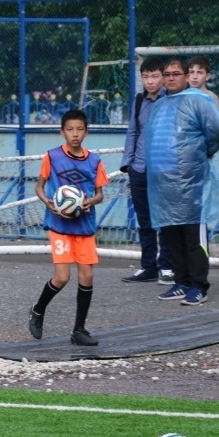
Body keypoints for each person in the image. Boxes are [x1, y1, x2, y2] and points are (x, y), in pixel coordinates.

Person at [145, 57, 219, 306]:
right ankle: (181, 282)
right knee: (171, 235)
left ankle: (198, 285)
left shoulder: (199, 101)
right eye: (167, 74)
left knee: (193, 236)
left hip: (191, 182)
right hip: (163, 184)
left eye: (176, 73)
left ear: (185, 76)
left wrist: (199, 155)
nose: (171, 78)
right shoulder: (159, 105)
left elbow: (215, 132)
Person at [28, 109, 108, 345]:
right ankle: (38, 309)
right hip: (59, 226)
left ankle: (79, 330)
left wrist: (90, 201)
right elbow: (39, 187)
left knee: (87, 276)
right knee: (62, 277)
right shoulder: (52, 157)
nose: (75, 134)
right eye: (70, 129)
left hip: (84, 226)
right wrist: (48, 202)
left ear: (86, 132)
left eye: (80, 129)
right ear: (62, 132)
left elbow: (100, 194)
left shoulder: (94, 161)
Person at [120, 56, 173, 285]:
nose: (150, 81)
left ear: (163, 77)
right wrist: (128, 164)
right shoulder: (139, 100)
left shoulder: (172, 99)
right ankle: (148, 267)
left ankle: (167, 266)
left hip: (164, 169)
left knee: (166, 219)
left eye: (154, 76)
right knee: (145, 221)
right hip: (139, 168)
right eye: (145, 76)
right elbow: (133, 132)